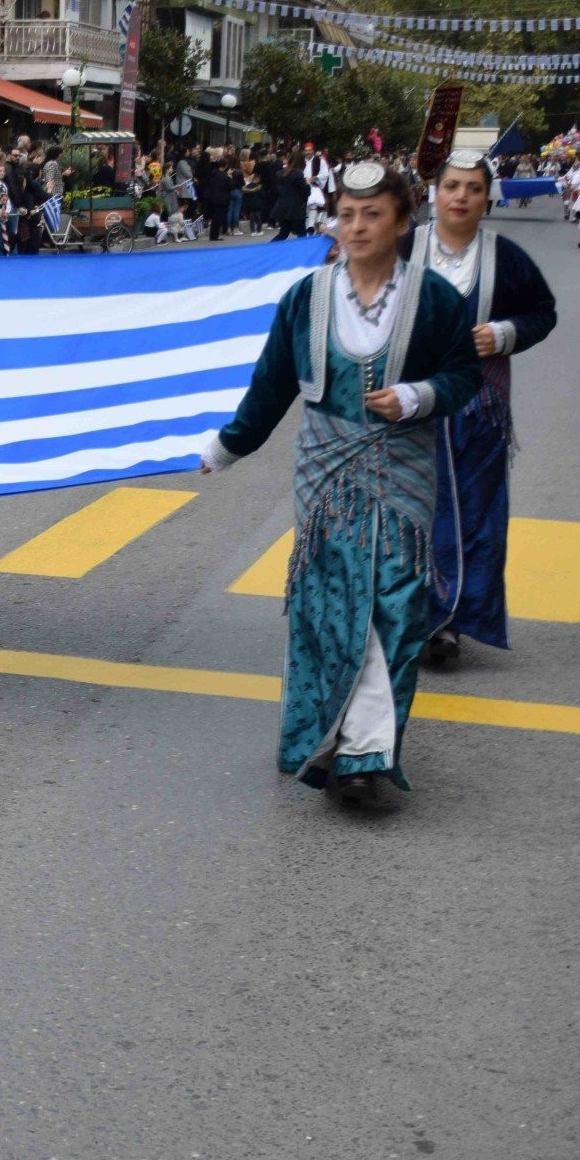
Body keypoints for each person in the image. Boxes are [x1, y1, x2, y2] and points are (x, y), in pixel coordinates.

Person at [200, 161, 482, 805]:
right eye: (347, 214)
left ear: (403, 222)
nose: (356, 227)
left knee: (396, 607)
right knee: (330, 605)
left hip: (404, 472)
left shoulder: (434, 299)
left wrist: (417, 396)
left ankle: (363, 754)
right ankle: (342, 745)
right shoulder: (306, 297)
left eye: (373, 214)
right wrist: (228, 447)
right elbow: (271, 386)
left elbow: (463, 376)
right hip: (327, 475)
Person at [402, 150, 559, 667]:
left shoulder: (506, 257)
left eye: (472, 188)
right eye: (452, 186)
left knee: (476, 515)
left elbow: (543, 313)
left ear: (486, 197)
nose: (461, 197)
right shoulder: (403, 248)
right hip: (413, 410)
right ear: (435, 193)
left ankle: (451, 622)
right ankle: (413, 614)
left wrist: (505, 333)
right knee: (418, 513)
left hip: (481, 410)